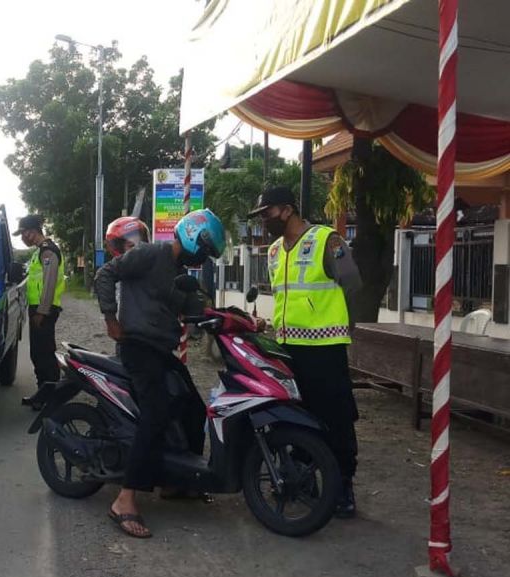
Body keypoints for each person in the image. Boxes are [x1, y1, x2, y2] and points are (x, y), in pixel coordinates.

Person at [94, 209, 225, 538]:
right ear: (193, 236)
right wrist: (111, 319)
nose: (204, 257)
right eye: (205, 249)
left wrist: (236, 319)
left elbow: (199, 309)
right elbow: (105, 275)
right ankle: (125, 499)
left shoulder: (182, 274)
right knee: (156, 411)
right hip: (136, 346)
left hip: (160, 350)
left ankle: (176, 482)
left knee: (195, 407)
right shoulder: (151, 254)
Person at [249, 186, 362, 518]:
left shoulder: (328, 241)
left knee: (335, 418)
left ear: (286, 210)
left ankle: (342, 486)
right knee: (296, 419)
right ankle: (306, 480)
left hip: (325, 349)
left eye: (267, 213)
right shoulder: (273, 251)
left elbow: (352, 285)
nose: (264, 221)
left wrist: (342, 325)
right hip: (287, 350)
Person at [14, 214, 65, 407]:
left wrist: (42, 312)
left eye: (22, 234)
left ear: (31, 232)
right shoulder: (39, 252)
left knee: (44, 353)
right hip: (39, 308)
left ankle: (50, 396)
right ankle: (43, 392)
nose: (22, 238)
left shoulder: (48, 251)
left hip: (45, 309)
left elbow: (49, 284)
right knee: (38, 352)